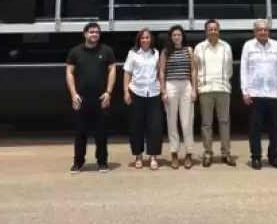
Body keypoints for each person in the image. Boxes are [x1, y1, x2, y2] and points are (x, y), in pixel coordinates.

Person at [65, 21, 116, 174]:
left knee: (101, 133)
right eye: (91, 32)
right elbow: (69, 73)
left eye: (97, 32)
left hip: (101, 98)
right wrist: (73, 94)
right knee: (80, 132)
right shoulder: (75, 52)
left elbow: (112, 71)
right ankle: (78, 162)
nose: (94, 34)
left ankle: (102, 161)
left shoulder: (107, 51)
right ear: (85, 34)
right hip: (81, 99)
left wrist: (108, 92)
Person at [240, 19, 277, 169]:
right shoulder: (248, 46)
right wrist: (245, 91)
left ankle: (273, 157)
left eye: (265, 30)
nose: (263, 32)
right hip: (254, 93)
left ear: (269, 31)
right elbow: (244, 70)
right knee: (254, 128)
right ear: (255, 32)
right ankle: (256, 157)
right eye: (260, 30)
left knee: (274, 129)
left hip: (273, 93)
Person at [193, 19, 235, 167]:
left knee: (224, 122)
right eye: (210, 29)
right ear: (206, 31)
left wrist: (223, 81)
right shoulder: (199, 48)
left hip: (223, 89)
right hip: (205, 89)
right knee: (206, 123)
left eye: (215, 29)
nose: (213, 32)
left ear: (219, 30)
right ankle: (208, 153)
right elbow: (195, 69)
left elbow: (229, 68)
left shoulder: (226, 47)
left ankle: (226, 153)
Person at [123, 28, 164, 171]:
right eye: (142, 38)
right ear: (139, 40)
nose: (145, 40)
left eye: (147, 37)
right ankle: (138, 156)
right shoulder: (133, 53)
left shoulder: (156, 53)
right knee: (136, 126)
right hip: (136, 92)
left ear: (151, 39)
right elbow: (127, 73)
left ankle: (153, 156)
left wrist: (162, 90)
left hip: (153, 92)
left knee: (155, 126)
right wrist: (126, 91)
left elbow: (160, 72)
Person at [158, 24, 197, 169]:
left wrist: (194, 89)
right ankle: (174, 153)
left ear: (182, 36)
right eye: (174, 35)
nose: (176, 37)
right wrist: (163, 91)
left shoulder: (189, 50)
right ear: (171, 37)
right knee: (172, 121)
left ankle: (188, 153)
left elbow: (193, 70)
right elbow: (161, 71)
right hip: (171, 85)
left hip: (186, 85)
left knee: (187, 121)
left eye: (179, 35)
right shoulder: (165, 51)